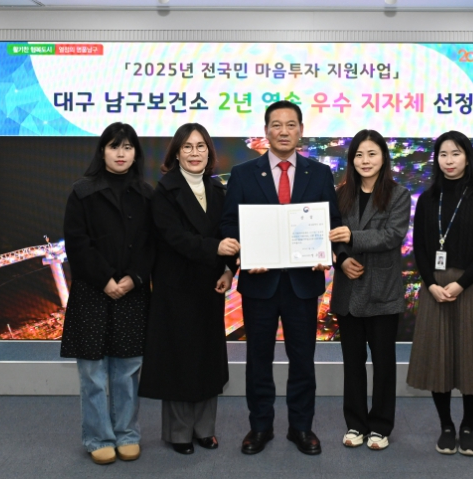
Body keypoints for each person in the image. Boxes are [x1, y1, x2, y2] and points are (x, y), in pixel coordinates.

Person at [221, 101, 341, 456]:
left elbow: (331, 222)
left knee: (303, 359)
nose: (284, 131)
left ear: (301, 130)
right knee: (258, 359)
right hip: (259, 283)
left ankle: (301, 427)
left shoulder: (319, 173)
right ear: (266, 130)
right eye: (277, 124)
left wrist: (326, 253)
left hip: (303, 283)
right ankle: (260, 427)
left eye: (291, 125)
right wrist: (244, 253)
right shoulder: (243, 173)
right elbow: (230, 223)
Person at [138, 123, 239, 455]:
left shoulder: (219, 191)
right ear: (176, 154)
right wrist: (216, 249)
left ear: (209, 152)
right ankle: (179, 432)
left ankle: (205, 430)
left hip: (210, 286)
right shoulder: (163, 192)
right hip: (176, 287)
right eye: (187, 147)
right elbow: (175, 238)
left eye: (201, 146)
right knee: (179, 359)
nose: (195, 153)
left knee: (208, 358)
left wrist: (229, 270)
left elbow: (231, 234)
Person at [406, 130, 473, 457]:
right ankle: (447, 426)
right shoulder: (428, 198)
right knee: (439, 360)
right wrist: (430, 284)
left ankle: (468, 428)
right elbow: (420, 248)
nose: (449, 160)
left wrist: (461, 284)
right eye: (443, 154)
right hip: (436, 288)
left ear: (468, 157)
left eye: (456, 153)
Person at [60, 122, 154, 465]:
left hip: (132, 293)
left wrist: (133, 278)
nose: (121, 153)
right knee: (93, 373)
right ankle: (98, 437)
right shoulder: (82, 192)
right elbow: (77, 243)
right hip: (92, 293)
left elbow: (151, 244)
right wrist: (105, 280)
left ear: (135, 153)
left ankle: (127, 434)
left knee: (128, 371)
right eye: (114, 146)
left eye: (127, 147)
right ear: (102, 151)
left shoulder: (147, 194)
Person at [329, 130, 411, 450]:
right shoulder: (341, 194)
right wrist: (341, 261)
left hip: (382, 291)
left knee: (383, 364)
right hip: (348, 289)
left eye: (372, 154)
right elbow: (330, 235)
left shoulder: (398, 194)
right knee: (352, 363)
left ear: (383, 158)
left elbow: (392, 235)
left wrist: (351, 237)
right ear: (352, 160)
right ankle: (355, 424)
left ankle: (380, 426)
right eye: (359, 155)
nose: (365, 160)